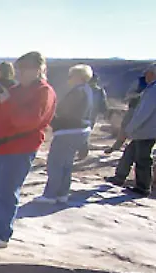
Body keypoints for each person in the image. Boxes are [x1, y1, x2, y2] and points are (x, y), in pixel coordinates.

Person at [0, 51, 57, 249]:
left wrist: (7, 100)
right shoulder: (17, 90)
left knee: (8, 191)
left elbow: (26, 121)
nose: (20, 73)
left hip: (20, 147)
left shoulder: (44, 92)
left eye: (25, 69)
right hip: (0, 146)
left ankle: (1, 235)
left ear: (39, 70)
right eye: (19, 69)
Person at [105, 61, 156, 197]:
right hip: (150, 129)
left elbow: (144, 112)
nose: (145, 75)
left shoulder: (155, 90)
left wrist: (130, 128)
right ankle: (119, 178)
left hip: (147, 129)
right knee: (130, 151)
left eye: (147, 73)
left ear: (152, 74)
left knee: (143, 158)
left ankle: (142, 187)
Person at [34, 64, 95, 204]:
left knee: (55, 164)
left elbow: (64, 112)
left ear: (78, 76)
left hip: (68, 131)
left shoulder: (77, 92)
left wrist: (51, 118)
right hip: (81, 130)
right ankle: (62, 194)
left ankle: (50, 195)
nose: (69, 78)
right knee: (66, 164)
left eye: (71, 75)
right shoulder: (89, 91)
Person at [76, 73, 109, 159]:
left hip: (85, 115)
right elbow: (103, 104)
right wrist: (104, 112)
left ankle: (82, 152)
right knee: (85, 132)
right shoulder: (99, 91)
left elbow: (103, 104)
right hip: (90, 115)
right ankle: (82, 152)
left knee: (82, 133)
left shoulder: (83, 89)